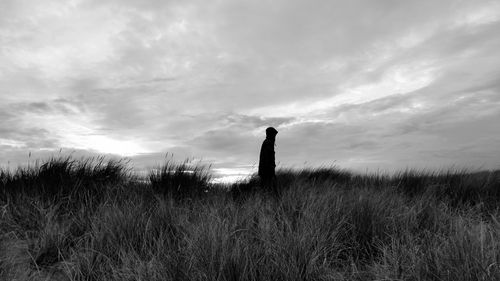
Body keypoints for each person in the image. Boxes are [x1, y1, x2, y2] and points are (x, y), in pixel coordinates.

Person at [258, 127, 278, 193]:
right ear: (271, 135)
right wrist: (271, 171)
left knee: (266, 190)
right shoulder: (268, 143)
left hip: (266, 172)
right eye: (274, 135)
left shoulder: (268, 142)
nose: (275, 137)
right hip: (266, 172)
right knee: (267, 190)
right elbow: (267, 159)